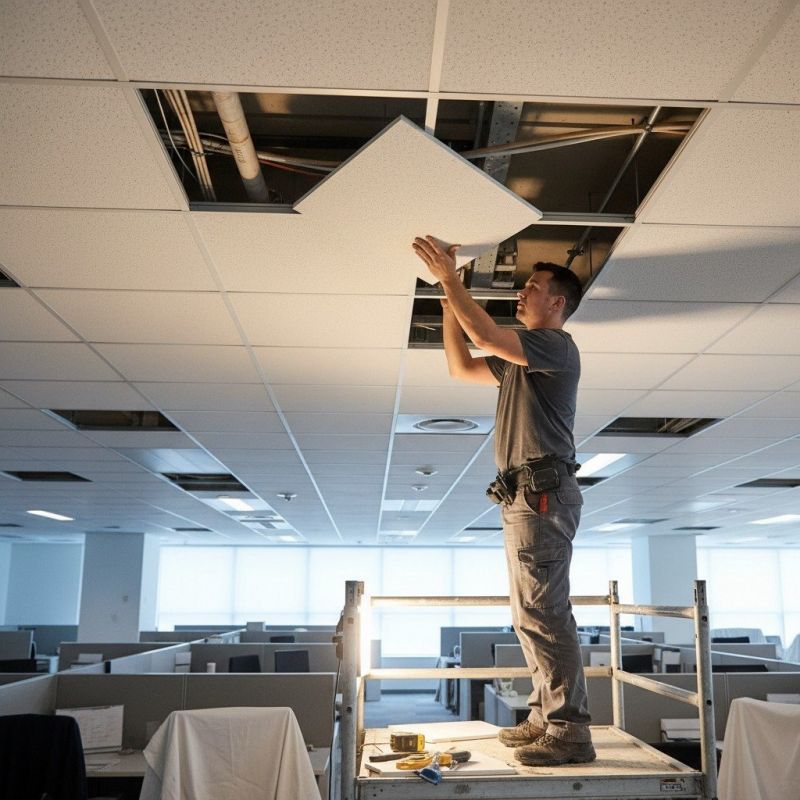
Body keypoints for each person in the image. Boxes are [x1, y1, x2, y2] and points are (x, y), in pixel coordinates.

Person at [412, 235, 594, 767]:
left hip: (542, 496)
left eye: (532, 287)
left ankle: (569, 731)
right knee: (528, 615)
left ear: (556, 302)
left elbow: (486, 335)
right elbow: (460, 364)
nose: (522, 293)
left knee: (544, 613)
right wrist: (449, 298)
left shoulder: (556, 346)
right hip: (524, 496)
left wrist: (451, 278)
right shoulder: (519, 364)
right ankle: (545, 717)